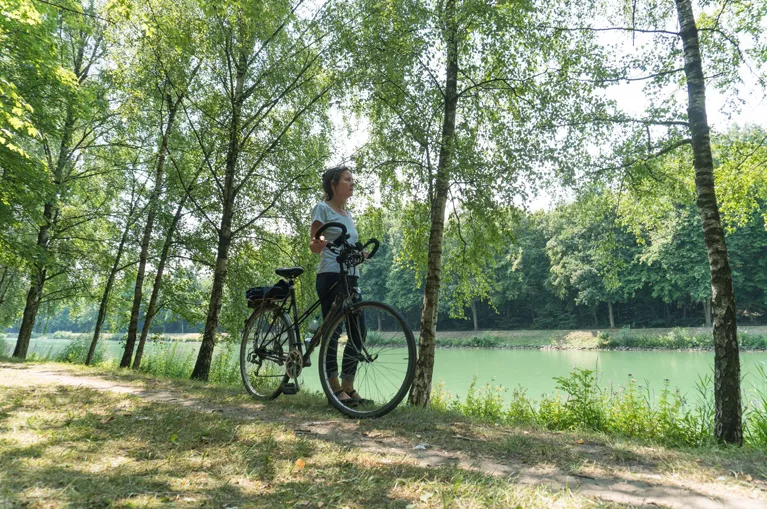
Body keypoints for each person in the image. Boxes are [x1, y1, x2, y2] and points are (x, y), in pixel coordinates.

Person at [309, 165, 369, 406]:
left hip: (350, 276)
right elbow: (314, 244)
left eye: (352, 180)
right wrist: (323, 241)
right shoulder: (322, 208)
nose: (352, 183)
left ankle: (348, 385)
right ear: (334, 184)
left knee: (359, 330)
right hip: (331, 276)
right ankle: (334, 388)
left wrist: (360, 253)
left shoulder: (347, 214)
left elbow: (348, 243)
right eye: (347, 179)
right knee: (333, 332)